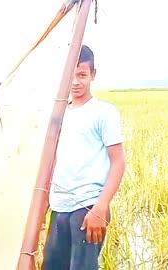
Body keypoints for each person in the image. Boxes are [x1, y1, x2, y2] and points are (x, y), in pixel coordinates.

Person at [42, 45, 126, 270]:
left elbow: (118, 162)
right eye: (71, 75)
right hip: (60, 207)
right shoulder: (59, 114)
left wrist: (101, 207)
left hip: (88, 208)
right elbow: (52, 161)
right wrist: (43, 205)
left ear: (93, 75)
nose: (76, 82)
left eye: (82, 75)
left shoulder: (103, 113)